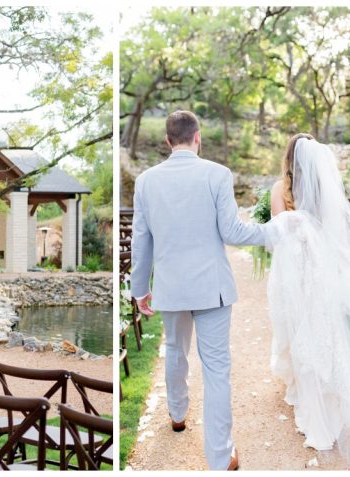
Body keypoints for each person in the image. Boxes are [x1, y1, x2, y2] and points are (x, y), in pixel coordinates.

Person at [131, 110, 267, 471]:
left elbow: (141, 240)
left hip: (171, 288)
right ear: (198, 137)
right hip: (212, 288)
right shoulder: (217, 174)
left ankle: (177, 414)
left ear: (167, 141)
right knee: (217, 369)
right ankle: (220, 457)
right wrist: (274, 232)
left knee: (175, 350)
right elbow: (233, 233)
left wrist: (140, 288)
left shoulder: (146, 181)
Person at [265, 134, 350, 464]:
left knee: (297, 329)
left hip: (293, 272)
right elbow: (331, 231)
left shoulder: (279, 189)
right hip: (321, 272)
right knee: (325, 329)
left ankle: (306, 394)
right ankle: (332, 399)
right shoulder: (325, 190)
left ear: (289, 157)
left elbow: (276, 236)